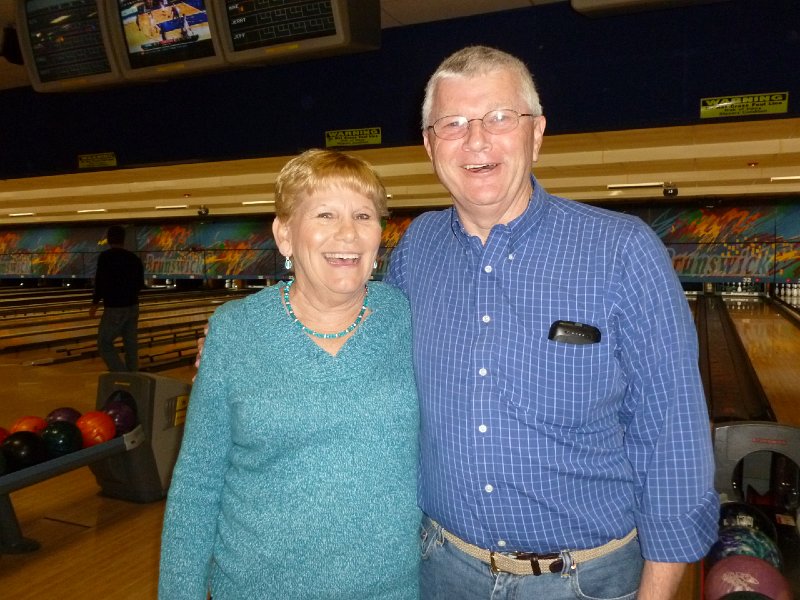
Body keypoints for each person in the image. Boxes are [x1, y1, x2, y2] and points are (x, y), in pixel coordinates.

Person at [383, 46, 719, 600]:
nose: (476, 141)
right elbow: (364, 350)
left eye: (498, 118)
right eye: (453, 124)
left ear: (536, 133)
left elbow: (672, 439)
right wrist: (270, 338)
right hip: (442, 568)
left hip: (585, 581)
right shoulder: (416, 249)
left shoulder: (622, 250)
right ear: (428, 144)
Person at [159, 149, 420, 599]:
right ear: (284, 235)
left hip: (389, 589)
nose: (348, 233)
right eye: (325, 214)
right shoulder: (235, 330)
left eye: (363, 215)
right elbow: (197, 482)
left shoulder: (408, 317)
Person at [89, 225, 145, 372]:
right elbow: (140, 284)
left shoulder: (105, 257)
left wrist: (95, 303)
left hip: (115, 308)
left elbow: (100, 281)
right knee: (130, 344)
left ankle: (121, 373)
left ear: (108, 239)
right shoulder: (134, 259)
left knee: (104, 343)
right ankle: (133, 375)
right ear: (123, 240)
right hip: (133, 306)